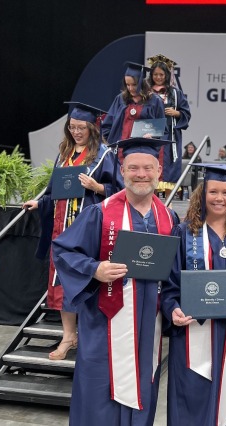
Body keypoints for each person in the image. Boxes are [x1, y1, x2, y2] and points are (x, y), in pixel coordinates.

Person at [52, 138, 179, 426]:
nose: (141, 174)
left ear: (159, 171)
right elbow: (63, 249)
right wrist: (94, 268)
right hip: (105, 321)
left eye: (148, 168)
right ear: (122, 171)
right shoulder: (100, 212)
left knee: (143, 385)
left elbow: (174, 274)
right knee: (99, 389)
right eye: (133, 168)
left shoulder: (169, 218)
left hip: (149, 324)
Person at [22, 102, 123, 361]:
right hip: (61, 227)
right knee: (62, 282)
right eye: (72, 127)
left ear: (92, 128)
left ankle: (89, 338)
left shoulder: (104, 154)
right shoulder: (65, 153)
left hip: (86, 228)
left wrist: (97, 186)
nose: (76, 131)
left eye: (81, 127)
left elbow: (120, 192)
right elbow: (55, 189)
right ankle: (68, 336)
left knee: (84, 280)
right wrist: (39, 202)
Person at [161, 163, 226, 426]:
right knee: (192, 393)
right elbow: (170, 284)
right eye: (213, 191)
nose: (219, 198)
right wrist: (172, 309)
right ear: (202, 194)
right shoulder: (184, 232)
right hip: (194, 327)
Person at [147, 54, 191, 196]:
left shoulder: (175, 93)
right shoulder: (146, 92)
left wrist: (176, 113)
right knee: (150, 168)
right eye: (155, 74)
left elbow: (186, 113)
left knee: (169, 170)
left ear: (167, 75)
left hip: (170, 136)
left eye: (161, 74)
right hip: (151, 135)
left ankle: (168, 206)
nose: (158, 77)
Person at [102, 62, 165, 144]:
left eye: (134, 84)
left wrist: (153, 136)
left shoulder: (155, 100)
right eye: (128, 85)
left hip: (145, 148)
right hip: (121, 148)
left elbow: (161, 129)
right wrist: (111, 142)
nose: (130, 88)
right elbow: (108, 125)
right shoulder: (121, 99)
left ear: (142, 83)